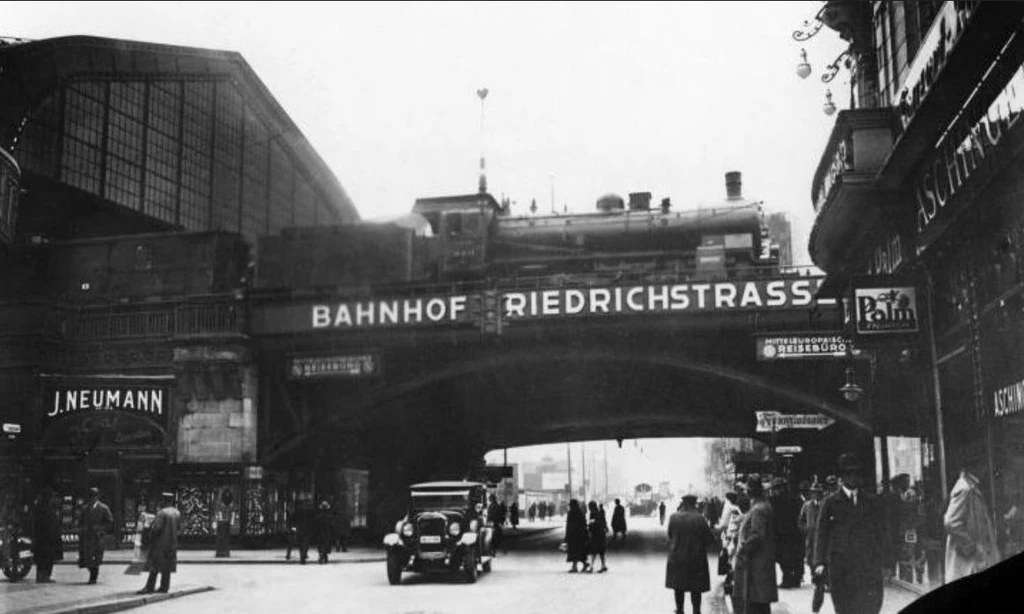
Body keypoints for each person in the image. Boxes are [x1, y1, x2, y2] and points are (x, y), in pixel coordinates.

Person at [813, 454, 886, 614]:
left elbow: (879, 532)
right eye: (849, 474)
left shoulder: (870, 501)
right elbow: (821, 533)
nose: (854, 478)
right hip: (840, 567)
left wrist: (885, 560)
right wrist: (819, 562)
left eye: (857, 474)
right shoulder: (830, 503)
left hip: (866, 566)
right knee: (844, 608)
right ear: (842, 477)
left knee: (870, 606)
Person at [943, 468, 999, 583]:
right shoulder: (965, 488)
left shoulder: (970, 486)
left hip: (973, 562)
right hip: (969, 563)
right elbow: (951, 522)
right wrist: (972, 546)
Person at [732, 476, 777, 614]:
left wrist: (742, 549)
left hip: (755, 565)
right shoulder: (764, 506)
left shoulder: (758, 509)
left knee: (754, 604)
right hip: (762, 563)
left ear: (751, 492)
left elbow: (757, 536)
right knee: (761, 605)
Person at [665, 494, 716, 614]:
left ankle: (680, 609)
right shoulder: (700, 518)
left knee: (678, 586)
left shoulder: (673, 517)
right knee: (696, 587)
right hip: (696, 558)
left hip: (677, 557)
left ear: (683, 503)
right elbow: (710, 539)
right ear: (694, 503)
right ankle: (696, 611)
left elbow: (670, 535)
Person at [137, 491, 180, 594]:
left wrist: (149, 534)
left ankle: (149, 587)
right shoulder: (176, 512)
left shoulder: (162, 513)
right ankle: (164, 587)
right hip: (172, 543)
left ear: (164, 501)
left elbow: (156, 529)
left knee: (154, 566)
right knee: (167, 567)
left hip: (160, 544)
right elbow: (178, 528)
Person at [769, 477, 804, 588]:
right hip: (783, 534)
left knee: (790, 557)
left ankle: (792, 578)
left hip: (790, 533)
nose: (777, 491)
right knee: (785, 558)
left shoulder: (790, 500)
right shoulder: (775, 501)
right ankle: (792, 578)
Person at [79, 486, 113, 585]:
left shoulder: (103, 508)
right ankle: (92, 572)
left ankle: (93, 578)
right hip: (87, 537)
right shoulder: (85, 508)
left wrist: (101, 530)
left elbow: (110, 522)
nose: (92, 498)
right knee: (87, 557)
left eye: (94, 496)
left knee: (96, 557)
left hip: (98, 537)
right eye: (90, 496)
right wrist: (82, 531)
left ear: (97, 497)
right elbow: (81, 522)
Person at [32, 488, 62, 583]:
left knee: (43, 560)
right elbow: (49, 525)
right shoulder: (46, 510)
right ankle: (44, 577)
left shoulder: (42, 508)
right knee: (46, 559)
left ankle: (42, 576)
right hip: (47, 540)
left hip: (42, 540)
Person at [798, 480, 824, 577]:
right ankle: (814, 574)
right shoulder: (807, 505)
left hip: (822, 535)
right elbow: (801, 520)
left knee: (821, 555)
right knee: (810, 556)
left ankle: (822, 577)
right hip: (810, 535)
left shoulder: (825, 504)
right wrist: (805, 529)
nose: (816, 495)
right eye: (814, 492)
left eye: (818, 492)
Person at [564, 499, 589, 572]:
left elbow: (569, 525)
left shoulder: (571, 513)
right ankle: (584, 564)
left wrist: (566, 536)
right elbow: (584, 523)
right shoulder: (581, 512)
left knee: (573, 551)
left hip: (572, 535)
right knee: (580, 551)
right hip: (580, 535)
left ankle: (575, 567)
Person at [586, 500, 608, 573]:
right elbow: (604, 522)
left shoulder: (592, 513)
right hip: (602, 534)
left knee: (594, 551)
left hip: (596, 534)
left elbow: (592, 523)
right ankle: (603, 565)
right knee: (601, 551)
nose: (588, 508)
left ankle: (591, 567)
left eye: (589, 507)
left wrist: (590, 527)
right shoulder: (600, 512)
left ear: (591, 507)